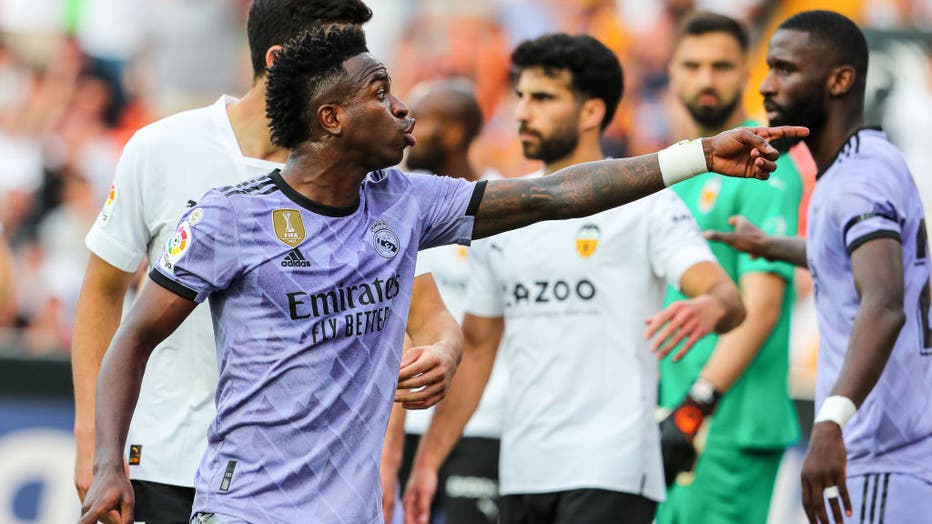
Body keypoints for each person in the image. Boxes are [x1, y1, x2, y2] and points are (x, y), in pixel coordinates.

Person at [78, 25, 804, 524]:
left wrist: (696, 156)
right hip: (245, 508)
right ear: (330, 119)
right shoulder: (228, 219)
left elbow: (554, 195)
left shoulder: (406, 202)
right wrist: (109, 460)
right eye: (380, 93)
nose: (403, 108)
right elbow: (132, 339)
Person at [71, 2, 461, 522]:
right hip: (165, 460)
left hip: (299, 486)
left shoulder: (364, 179)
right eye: (336, 51)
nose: (353, 64)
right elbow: (103, 291)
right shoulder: (161, 149)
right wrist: (93, 442)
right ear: (279, 61)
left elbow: (430, 317)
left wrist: (443, 352)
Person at [402, 33, 747, 524]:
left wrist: (711, 305)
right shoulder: (502, 212)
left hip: (613, 468)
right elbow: (477, 349)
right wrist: (429, 462)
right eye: (521, 97)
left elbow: (727, 297)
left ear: (591, 111)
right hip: (522, 470)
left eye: (543, 98)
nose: (523, 113)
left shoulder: (647, 203)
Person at [704, 10, 932, 524]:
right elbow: (864, 260)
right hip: (896, 457)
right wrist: (775, 246)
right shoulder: (870, 158)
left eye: (785, 69)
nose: (767, 85)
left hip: (881, 458)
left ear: (839, 80)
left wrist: (830, 423)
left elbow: (885, 303)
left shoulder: (855, 181)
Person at [655, 12, 802, 524]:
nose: (706, 79)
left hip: (725, 421)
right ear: (671, 72)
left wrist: (696, 406)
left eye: (721, 66)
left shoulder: (762, 167)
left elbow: (762, 307)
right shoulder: (671, 168)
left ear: (746, 73)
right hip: (671, 415)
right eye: (692, 65)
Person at [388, 79, 508, 524]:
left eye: (424, 118)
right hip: (405, 416)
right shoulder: (396, 204)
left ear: (456, 131)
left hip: (484, 423)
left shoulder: (504, 206)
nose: (408, 126)